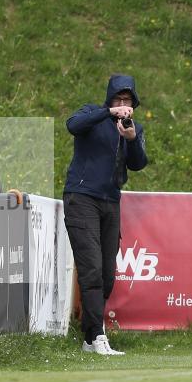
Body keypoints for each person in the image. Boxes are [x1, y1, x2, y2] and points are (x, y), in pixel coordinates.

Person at [63, 74, 148, 356]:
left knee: (107, 275)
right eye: (118, 99)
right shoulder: (92, 113)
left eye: (128, 101)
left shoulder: (132, 128)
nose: (123, 105)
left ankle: (89, 338)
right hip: (81, 197)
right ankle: (98, 336)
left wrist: (132, 139)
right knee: (91, 270)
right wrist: (108, 113)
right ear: (110, 99)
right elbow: (73, 125)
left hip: (111, 201)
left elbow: (138, 163)